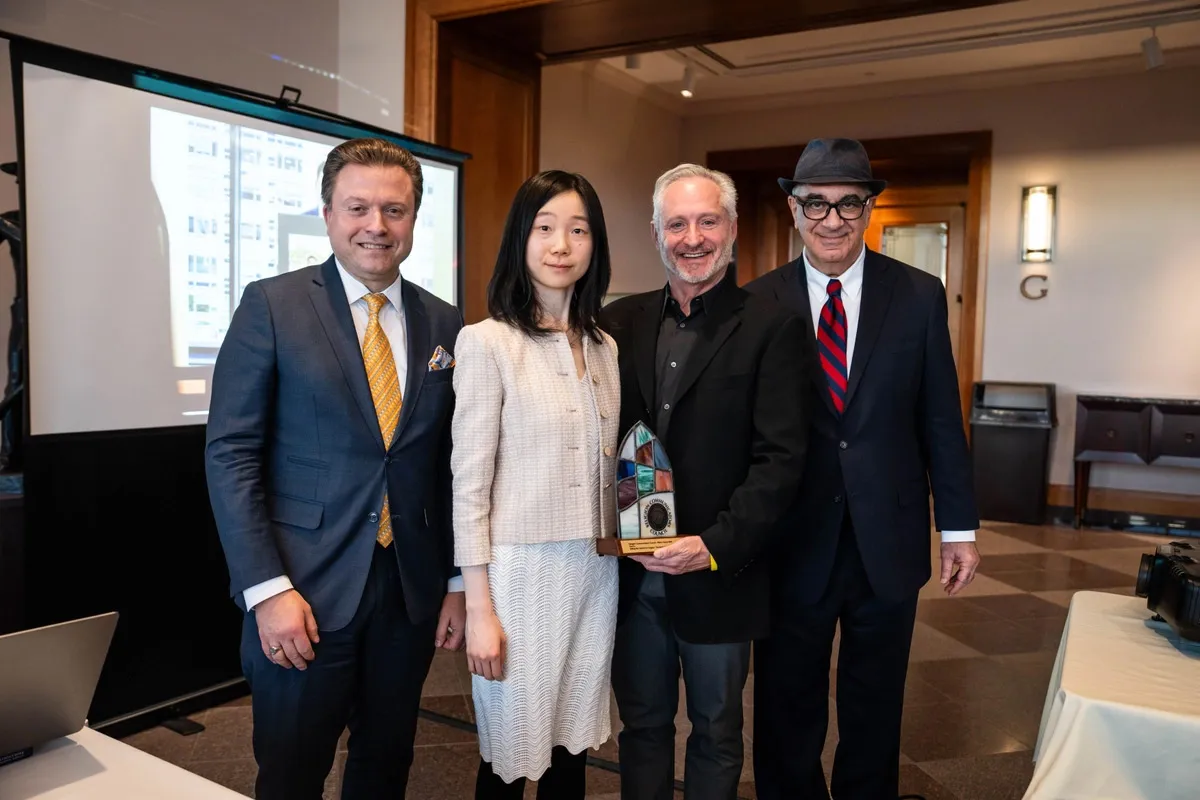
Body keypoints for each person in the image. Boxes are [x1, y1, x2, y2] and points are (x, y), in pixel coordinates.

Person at [204, 137, 466, 800]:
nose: (375, 225)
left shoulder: (445, 322)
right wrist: (267, 590)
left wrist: (458, 579)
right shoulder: (273, 305)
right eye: (357, 208)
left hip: (409, 593)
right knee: (291, 772)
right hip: (304, 593)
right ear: (327, 215)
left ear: (413, 219)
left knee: (386, 764)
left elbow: (446, 463)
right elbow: (231, 454)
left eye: (393, 210)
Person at [745, 137, 982, 800]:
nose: (832, 219)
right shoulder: (757, 305)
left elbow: (940, 414)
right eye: (815, 203)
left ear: (869, 207)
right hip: (793, 539)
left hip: (889, 535)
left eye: (849, 203)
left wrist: (958, 527)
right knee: (787, 704)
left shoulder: (918, 296)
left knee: (875, 704)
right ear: (794, 209)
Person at [598, 163, 812, 800]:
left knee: (717, 731)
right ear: (657, 233)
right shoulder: (618, 322)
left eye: (707, 221)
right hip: (636, 574)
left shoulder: (773, 325)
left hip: (721, 572)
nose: (693, 237)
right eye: (677, 223)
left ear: (733, 229)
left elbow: (780, 463)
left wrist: (713, 545)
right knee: (641, 727)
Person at [451, 170, 620, 799]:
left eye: (578, 230)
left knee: (572, 752)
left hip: (594, 575)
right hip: (519, 578)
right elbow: (468, 487)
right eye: (545, 228)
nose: (561, 244)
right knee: (511, 756)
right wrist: (478, 610)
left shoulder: (604, 347)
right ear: (520, 239)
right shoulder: (487, 342)